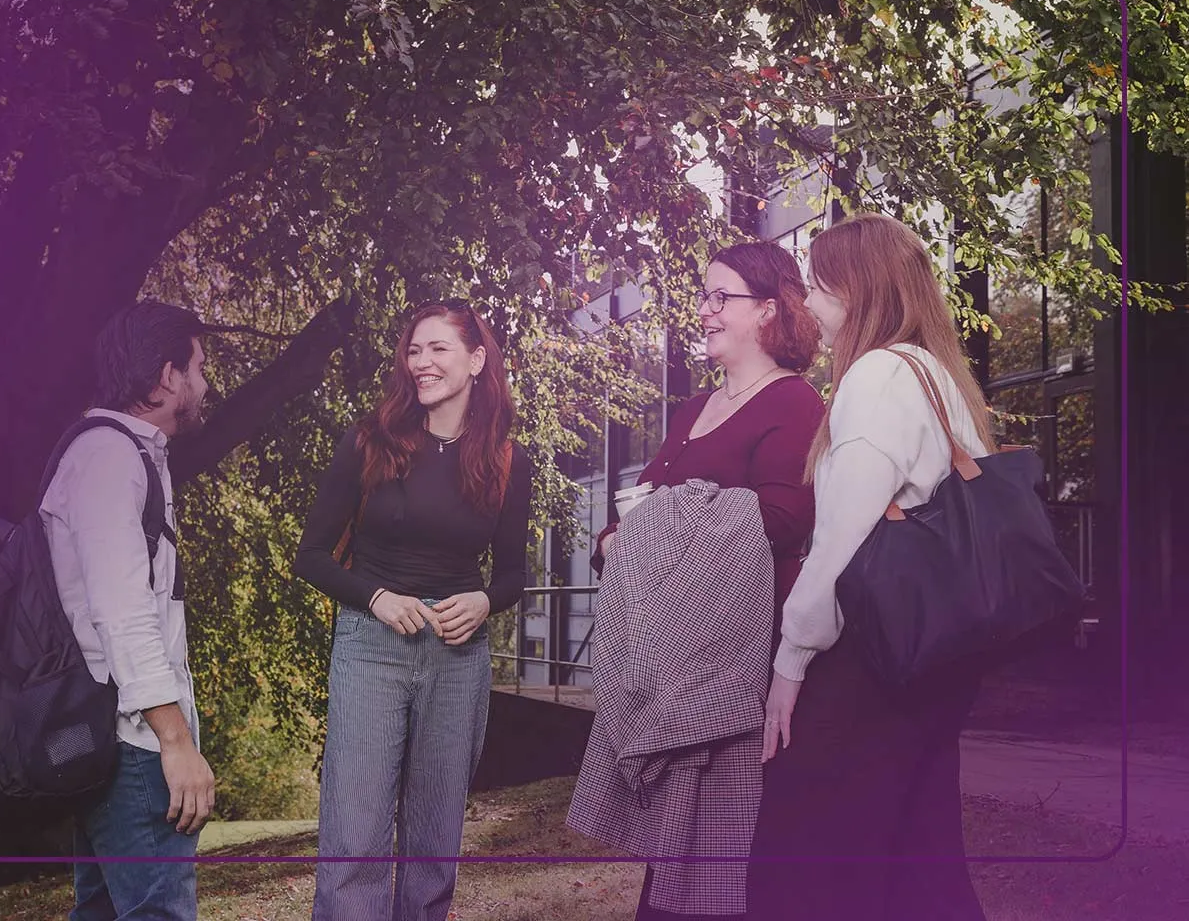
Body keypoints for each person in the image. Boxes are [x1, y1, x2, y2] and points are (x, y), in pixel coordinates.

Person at [748, 212, 994, 920]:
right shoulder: (939, 377)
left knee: (807, 864)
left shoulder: (878, 376)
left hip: (868, 660)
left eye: (819, 289)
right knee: (917, 861)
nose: (811, 309)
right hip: (934, 659)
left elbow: (840, 543)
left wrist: (789, 663)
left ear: (853, 292)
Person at [578, 241, 824, 920]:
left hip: (735, 656)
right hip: (670, 655)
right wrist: (628, 534)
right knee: (671, 855)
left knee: (725, 853)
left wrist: (650, 524)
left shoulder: (796, 404)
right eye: (703, 296)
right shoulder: (691, 409)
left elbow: (777, 520)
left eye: (722, 298)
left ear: (767, 311)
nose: (705, 311)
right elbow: (631, 514)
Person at [293, 299, 533, 921]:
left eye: (438, 349)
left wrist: (483, 601)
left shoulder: (507, 460)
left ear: (477, 360)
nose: (421, 362)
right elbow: (312, 556)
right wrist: (375, 596)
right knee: (357, 827)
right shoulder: (370, 441)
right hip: (372, 644)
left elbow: (512, 575)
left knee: (435, 832)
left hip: (458, 658)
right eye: (414, 349)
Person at [41, 299, 215, 921]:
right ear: (167, 376)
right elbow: (123, 613)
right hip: (133, 744)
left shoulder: (119, 454)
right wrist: (176, 742)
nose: (203, 383)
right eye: (196, 366)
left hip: (116, 739)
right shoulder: (111, 458)